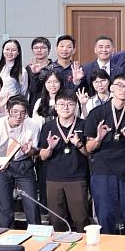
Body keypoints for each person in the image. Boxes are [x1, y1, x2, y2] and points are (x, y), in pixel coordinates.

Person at [84, 73, 125, 235]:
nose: (123, 90)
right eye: (119, 85)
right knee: (105, 215)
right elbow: (89, 147)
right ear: (111, 88)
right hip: (103, 170)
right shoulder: (97, 113)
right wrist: (98, 138)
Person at [0, 95, 42, 228]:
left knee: (31, 204)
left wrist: (29, 151)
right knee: (5, 206)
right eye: (15, 112)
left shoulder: (32, 125)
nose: (19, 116)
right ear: (7, 111)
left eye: (23, 112)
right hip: (1, 166)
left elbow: (35, 152)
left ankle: (37, 235)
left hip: (24, 164)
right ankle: (7, 239)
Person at [37, 90, 89, 232]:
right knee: (56, 219)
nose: (66, 107)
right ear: (55, 107)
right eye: (62, 104)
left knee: (81, 219)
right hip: (54, 178)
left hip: (77, 178)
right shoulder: (48, 127)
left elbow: (89, 153)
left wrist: (78, 144)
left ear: (76, 106)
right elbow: (42, 156)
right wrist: (50, 148)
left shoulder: (83, 125)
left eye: (70, 104)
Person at [26, 37, 52, 107]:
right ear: (32, 50)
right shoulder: (28, 68)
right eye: (36, 48)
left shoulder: (54, 67)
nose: (39, 50)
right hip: (33, 104)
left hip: (51, 103)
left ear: (49, 50)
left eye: (43, 48)